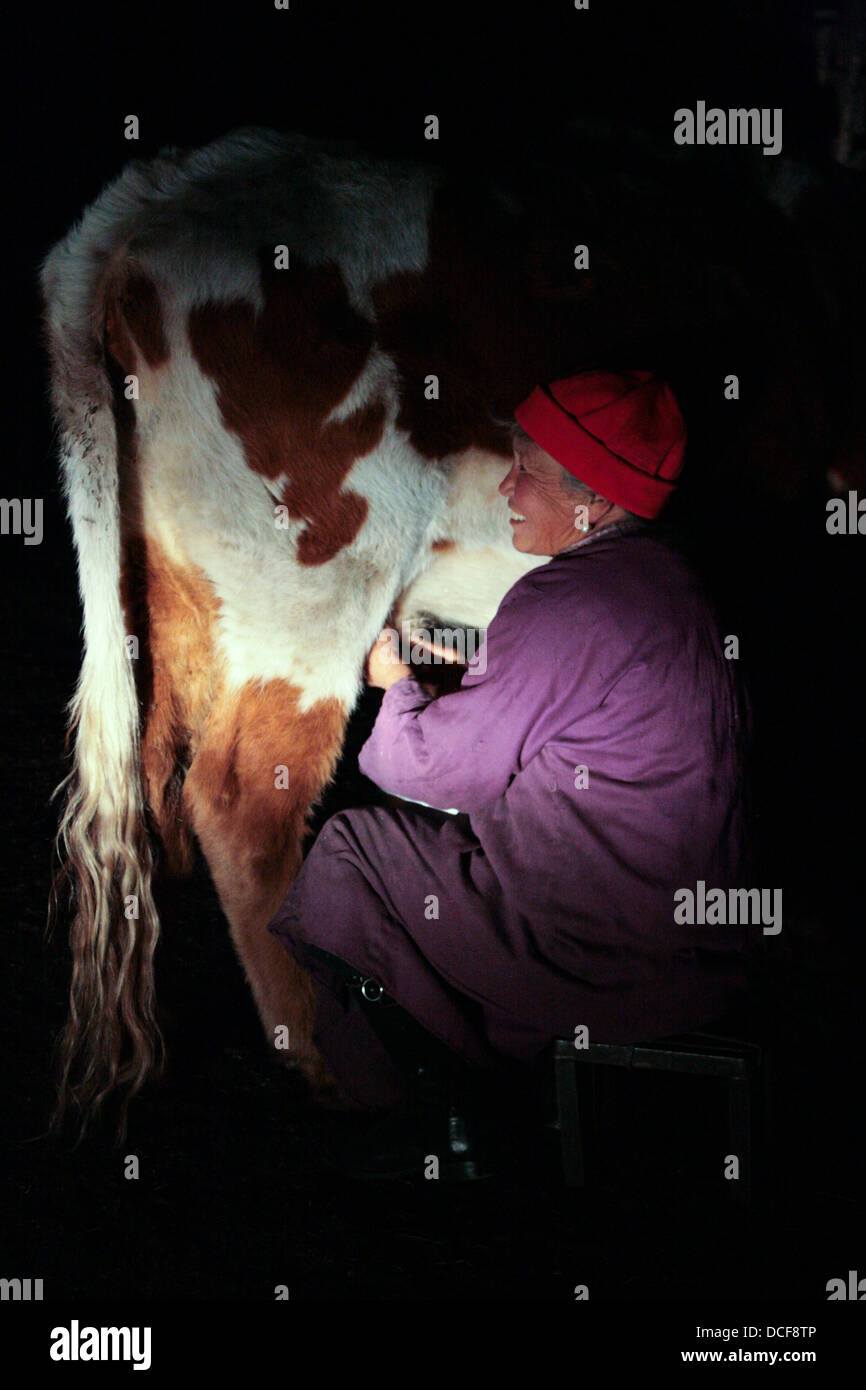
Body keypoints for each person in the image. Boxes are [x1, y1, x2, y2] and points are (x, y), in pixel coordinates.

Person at [268, 369, 756, 1180]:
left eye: (527, 468)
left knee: (351, 852)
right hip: (696, 950)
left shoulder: (566, 601)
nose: (506, 484)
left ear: (592, 502)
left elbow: (425, 770)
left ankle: (426, 1102)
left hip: (600, 961)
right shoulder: (675, 583)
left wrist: (398, 688)